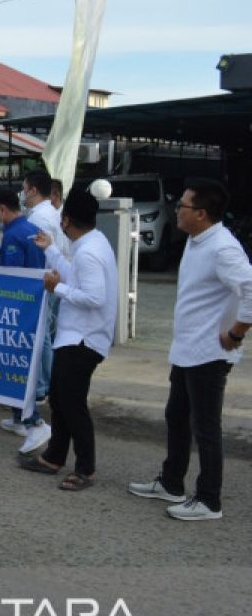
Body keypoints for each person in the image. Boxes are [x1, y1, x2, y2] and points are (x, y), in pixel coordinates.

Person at [128, 179, 252, 521]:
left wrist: (236, 333)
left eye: (181, 205)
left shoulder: (223, 248)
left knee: (206, 428)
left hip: (209, 353)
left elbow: (251, 288)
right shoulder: (198, 241)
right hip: (187, 349)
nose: (176, 210)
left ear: (200, 213)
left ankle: (209, 500)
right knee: (176, 416)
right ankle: (171, 482)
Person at [18, 191, 117, 491]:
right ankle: (54, 457)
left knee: (72, 404)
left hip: (83, 340)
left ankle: (85, 468)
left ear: (66, 220)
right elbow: (77, 276)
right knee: (60, 400)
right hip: (75, 337)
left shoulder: (88, 251)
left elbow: (94, 297)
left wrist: (56, 287)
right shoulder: (90, 243)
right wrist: (51, 250)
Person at [0, 187, 51, 449]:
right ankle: (18, 418)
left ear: (2, 209)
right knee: (17, 367)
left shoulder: (12, 236)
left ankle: (35, 423)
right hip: (35, 306)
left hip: (19, 311)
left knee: (16, 369)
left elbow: (11, 279)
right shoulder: (31, 229)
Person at [22, 169, 66, 412]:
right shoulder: (53, 212)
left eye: (24, 188)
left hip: (45, 279)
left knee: (43, 337)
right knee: (49, 334)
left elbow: (38, 253)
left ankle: (41, 387)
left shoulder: (38, 217)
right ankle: (46, 385)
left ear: (33, 190)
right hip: (55, 277)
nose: (23, 193)